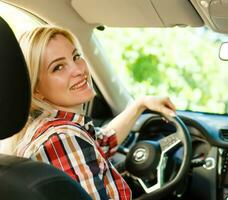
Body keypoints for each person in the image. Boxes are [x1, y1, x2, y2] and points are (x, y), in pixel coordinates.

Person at [2, 26, 177, 200]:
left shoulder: (48, 132)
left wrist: (140, 104)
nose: (79, 70)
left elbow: (101, 142)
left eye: (76, 57)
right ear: (36, 89)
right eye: (58, 67)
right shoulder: (61, 139)